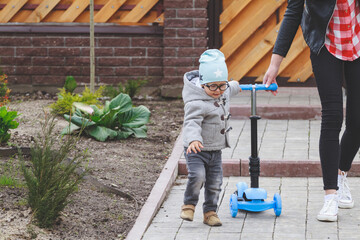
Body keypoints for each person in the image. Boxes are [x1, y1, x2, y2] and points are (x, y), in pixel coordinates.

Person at [263, 0, 360, 222]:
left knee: (357, 121)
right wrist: (275, 64)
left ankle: (341, 172)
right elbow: (294, 11)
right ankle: (330, 197)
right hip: (325, 44)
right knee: (333, 115)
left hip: (356, 41)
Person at [180, 49, 241, 226]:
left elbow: (232, 88)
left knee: (215, 183)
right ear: (203, 84)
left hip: (215, 149)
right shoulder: (195, 102)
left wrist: (239, 85)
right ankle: (188, 206)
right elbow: (191, 122)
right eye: (212, 86)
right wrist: (193, 139)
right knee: (198, 176)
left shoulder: (223, 90)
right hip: (196, 150)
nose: (217, 91)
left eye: (222, 85)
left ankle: (210, 212)